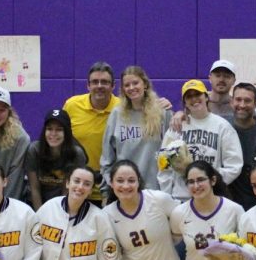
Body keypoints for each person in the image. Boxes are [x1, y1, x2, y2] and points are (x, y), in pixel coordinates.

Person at [158, 80, 242, 199]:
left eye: (197, 94)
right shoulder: (176, 127)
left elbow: (234, 165)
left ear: (206, 97)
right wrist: (168, 195)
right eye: (189, 96)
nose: (194, 99)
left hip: (211, 197)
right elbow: (163, 165)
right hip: (181, 198)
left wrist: (212, 182)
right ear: (185, 103)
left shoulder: (222, 126)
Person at [101, 65, 171, 194]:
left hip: (155, 190)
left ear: (144, 84)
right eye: (127, 85)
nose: (131, 88)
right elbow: (107, 158)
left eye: (135, 83)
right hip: (124, 191)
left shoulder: (163, 112)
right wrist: (110, 186)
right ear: (123, 89)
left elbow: (172, 153)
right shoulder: (117, 114)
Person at [63, 61, 121, 202]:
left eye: (105, 82)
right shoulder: (72, 105)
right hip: (79, 188)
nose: (99, 86)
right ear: (88, 85)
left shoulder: (123, 108)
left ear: (113, 86)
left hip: (114, 189)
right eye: (95, 82)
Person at [25, 108, 89, 210]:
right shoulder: (34, 150)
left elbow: (69, 189)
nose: (53, 134)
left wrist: (59, 215)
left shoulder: (76, 154)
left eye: (59, 129)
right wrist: (40, 215)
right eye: (49, 129)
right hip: (36, 204)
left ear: (67, 132)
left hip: (65, 204)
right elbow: (34, 188)